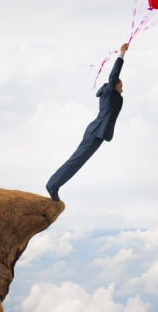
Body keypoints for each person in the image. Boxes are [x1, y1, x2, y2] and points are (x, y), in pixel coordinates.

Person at [46, 43, 129, 201]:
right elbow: (114, 75)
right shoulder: (111, 91)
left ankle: (54, 184)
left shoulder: (111, 94)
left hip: (97, 133)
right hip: (95, 132)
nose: (122, 89)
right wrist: (122, 54)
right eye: (121, 86)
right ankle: (52, 185)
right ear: (115, 85)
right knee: (76, 161)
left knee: (78, 162)